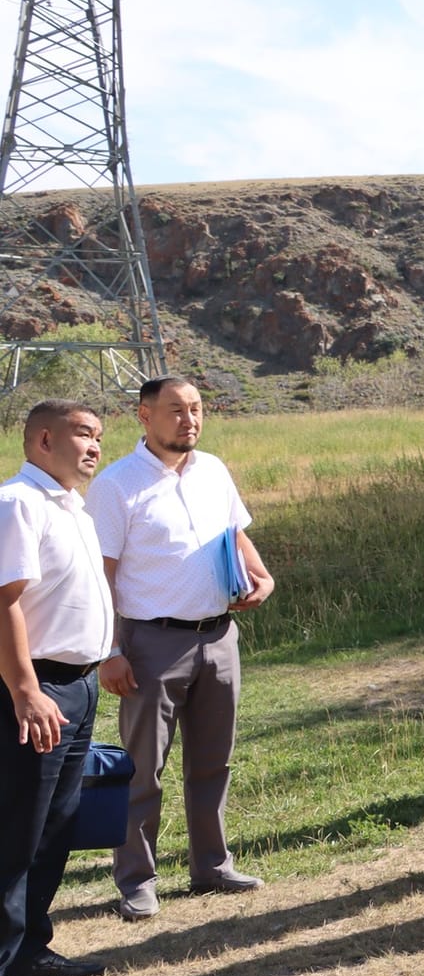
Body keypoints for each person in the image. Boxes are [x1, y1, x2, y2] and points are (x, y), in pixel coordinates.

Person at [88, 376, 274, 923]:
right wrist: (110, 651)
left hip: (219, 636)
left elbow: (234, 534)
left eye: (195, 408)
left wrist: (261, 576)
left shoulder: (213, 470)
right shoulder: (116, 485)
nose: (188, 419)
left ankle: (212, 866)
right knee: (143, 769)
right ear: (144, 416)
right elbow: (101, 575)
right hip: (150, 644)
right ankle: (137, 881)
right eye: (175, 410)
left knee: (214, 761)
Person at [0, 401, 114, 976]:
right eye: (83, 434)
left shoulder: (73, 508)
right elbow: (3, 600)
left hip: (78, 686)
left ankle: (27, 953)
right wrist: (25, 689)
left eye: (99, 437)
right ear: (44, 439)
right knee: (17, 829)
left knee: (55, 826)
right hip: (35, 687)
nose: (94, 446)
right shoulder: (17, 503)